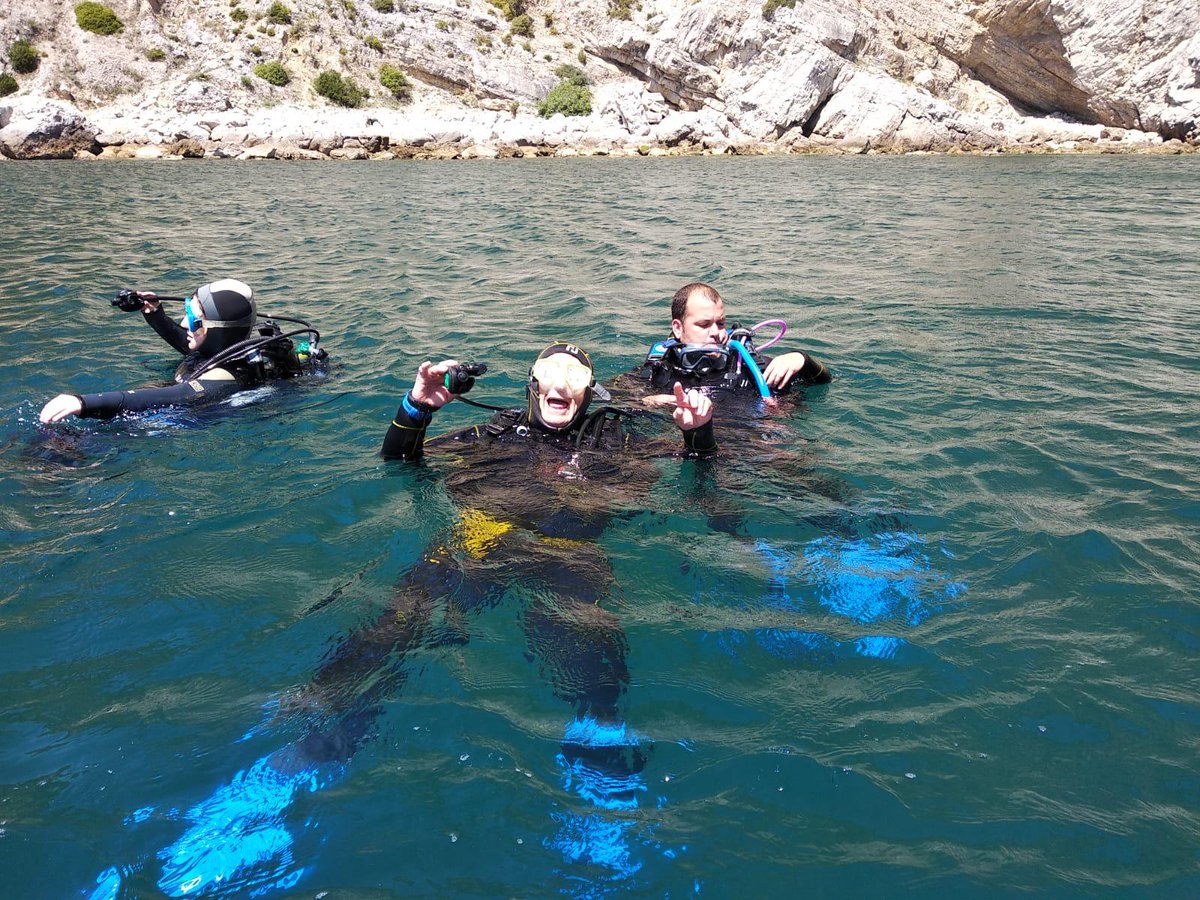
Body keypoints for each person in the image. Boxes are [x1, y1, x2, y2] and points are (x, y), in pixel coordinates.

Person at [90, 343, 714, 897]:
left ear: (588, 392)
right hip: (481, 537)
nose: (561, 391)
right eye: (550, 379)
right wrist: (417, 408)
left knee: (596, 651)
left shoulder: (614, 438)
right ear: (531, 386)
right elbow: (398, 465)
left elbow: (688, 476)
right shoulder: (491, 435)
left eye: (575, 381)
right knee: (392, 631)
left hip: (572, 551)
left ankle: (600, 782)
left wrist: (698, 436)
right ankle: (296, 759)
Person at [38, 278, 325, 423]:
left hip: (192, 419)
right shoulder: (219, 349)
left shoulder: (228, 375)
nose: (185, 321)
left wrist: (85, 402)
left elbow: (179, 396)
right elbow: (192, 346)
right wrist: (155, 314)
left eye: (193, 315)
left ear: (217, 328)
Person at [625, 281, 832, 397]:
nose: (716, 332)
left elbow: (824, 383)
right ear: (678, 328)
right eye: (704, 325)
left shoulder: (750, 368)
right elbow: (612, 398)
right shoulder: (656, 372)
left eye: (721, 323)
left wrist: (803, 360)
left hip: (750, 448)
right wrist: (648, 403)